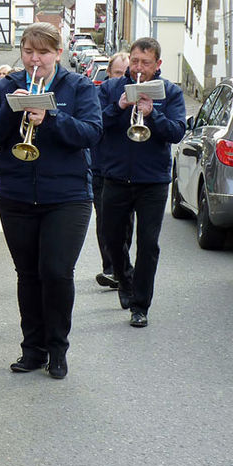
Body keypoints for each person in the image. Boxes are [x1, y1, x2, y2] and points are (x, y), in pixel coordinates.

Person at [0, 23, 102, 379]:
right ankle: (32, 348)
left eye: (44, 52)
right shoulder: (5, 85)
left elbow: (92, 133)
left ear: (58, 54)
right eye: (29, 51)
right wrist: (11, 109)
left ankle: (58, 348)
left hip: (67, 196)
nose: (35, 59)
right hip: (17, 194)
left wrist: (51, 118)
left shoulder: (78, 86)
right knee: (28, 274)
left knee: (57, 272)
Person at [98, 38, 186, 328]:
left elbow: (176, 132)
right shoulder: (111, 88)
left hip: (153, 181)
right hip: (116, 177)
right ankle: (124, 279)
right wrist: (119, 107)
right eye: (135, 61)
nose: (138, 68)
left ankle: (140, 305)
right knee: (112, 239)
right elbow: (94, 125)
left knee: (148, 244)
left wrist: (153, 114)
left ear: (157, 65)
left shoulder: (170, 92)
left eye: (145, 63)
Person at [92, 51, 134, 289]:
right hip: (101, 167)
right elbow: (97, 121)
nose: (123, 77)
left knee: (126, 222)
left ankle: (121, 266)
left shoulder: (143, 92)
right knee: (105, 222)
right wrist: (118, 107)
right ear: (110, 73)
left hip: (129, 169)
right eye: (118, 72)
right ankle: (111, 267)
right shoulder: (103, 92)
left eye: (125, 72)